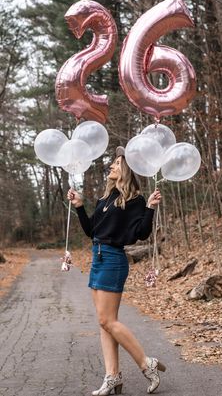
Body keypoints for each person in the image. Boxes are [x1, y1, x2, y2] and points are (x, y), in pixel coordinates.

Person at [67, 146, 166, 395]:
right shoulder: (105, 199)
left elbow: (141, 234)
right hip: (97, 257)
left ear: (127, 170)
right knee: (104, 324)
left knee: (107, 320)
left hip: (113, 260)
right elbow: (92, 231)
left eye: (116, 162)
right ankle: (112, 377)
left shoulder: (135, 201)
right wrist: (79, 206)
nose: (111, 165)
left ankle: (146, 363)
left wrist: (151, 208)